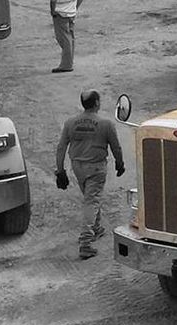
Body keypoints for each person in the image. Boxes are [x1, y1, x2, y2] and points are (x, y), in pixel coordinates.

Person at [54, 89, 125, 260]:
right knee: (91, 201)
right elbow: (116, 147)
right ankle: (85, 242)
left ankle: (97, 228)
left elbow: (61, 147)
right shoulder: (106, 124)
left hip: (77, 167)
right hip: (96, 168)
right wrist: (119, 163)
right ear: (97, 103)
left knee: (91, 197)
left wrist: (60, 170)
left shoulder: (71, 122)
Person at [48, 0, 86, 73]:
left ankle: (66, 65)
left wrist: (53, 11)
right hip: (71, 14)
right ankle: (68, 62)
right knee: (70, 39)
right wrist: (76, 6)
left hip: (61, 15)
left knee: (64, 40)